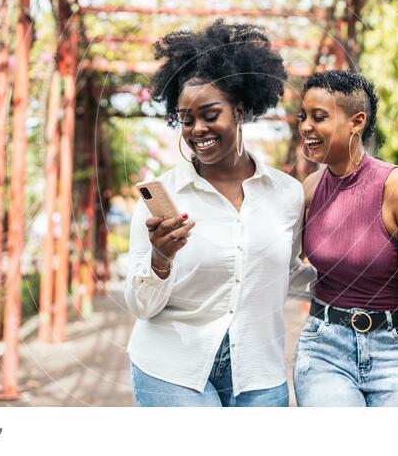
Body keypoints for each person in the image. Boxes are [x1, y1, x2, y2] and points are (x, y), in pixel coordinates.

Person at [124, 20, 316, 407]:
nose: (198, 129)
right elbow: (140, 305)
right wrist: (161, 259)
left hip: (259, 371)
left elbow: (289, 272)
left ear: (240, 111)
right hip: (172, 368)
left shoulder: (287, 195)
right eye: (187, 119)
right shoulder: (165, 198)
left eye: (210, 114)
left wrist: (365, 280)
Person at [293, 70, 398, 407]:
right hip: (324, 349)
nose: (305, 127)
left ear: (356, 122)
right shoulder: (311, 190)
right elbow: (278, 263)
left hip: (396, 353)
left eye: (319, 117)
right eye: (304, 117)